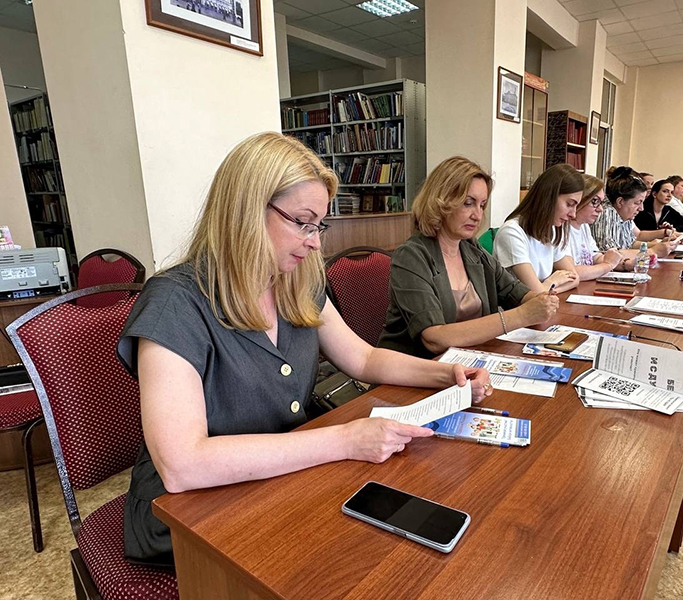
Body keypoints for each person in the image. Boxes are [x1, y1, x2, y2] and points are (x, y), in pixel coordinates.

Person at [117, 134, 493, 566]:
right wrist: (344, 440)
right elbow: (183, 465)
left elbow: (363, 358)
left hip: (283, 473)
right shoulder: (175, 302)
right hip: (192, 511)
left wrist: (446, 374)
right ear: (246, 210)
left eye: (319, 226)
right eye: (303, 222)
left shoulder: (294, 281)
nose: (315, 242)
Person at [378, 156, 558, 359]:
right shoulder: (411, 256)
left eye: (482, 205)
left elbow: (515, 292)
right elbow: (434, 338)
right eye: (468, 203)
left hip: (469, 361)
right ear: (440, 201)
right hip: (414, 367)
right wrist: (522, 315)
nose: (478, 216)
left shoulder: (472, 249)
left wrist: (542, 301)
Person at [493, 163, 582, 294]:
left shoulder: (551, 229)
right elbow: (535, 294)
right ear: (549, 197)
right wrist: (552, 282)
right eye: (569, 204)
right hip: (518, 306)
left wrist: (548, 290)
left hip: (542, 303)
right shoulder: (511, 232)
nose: (573, 214)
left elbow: (574, 279)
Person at [566, 175, 649, 280]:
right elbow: (571, 272)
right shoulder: (561, 230)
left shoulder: (584, 226)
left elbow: (597, 258)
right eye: (595, 202)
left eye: (601, 203)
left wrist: (627, 264)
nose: (600, 209)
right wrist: (608, 265)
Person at [591, 166, 679, 256]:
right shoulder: (606, 214)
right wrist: (653, 251)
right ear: (620, 202)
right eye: (637, 203)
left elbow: (630, 244)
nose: (641, 208)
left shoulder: (624, 214)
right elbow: (610, 254)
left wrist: (659, 245)